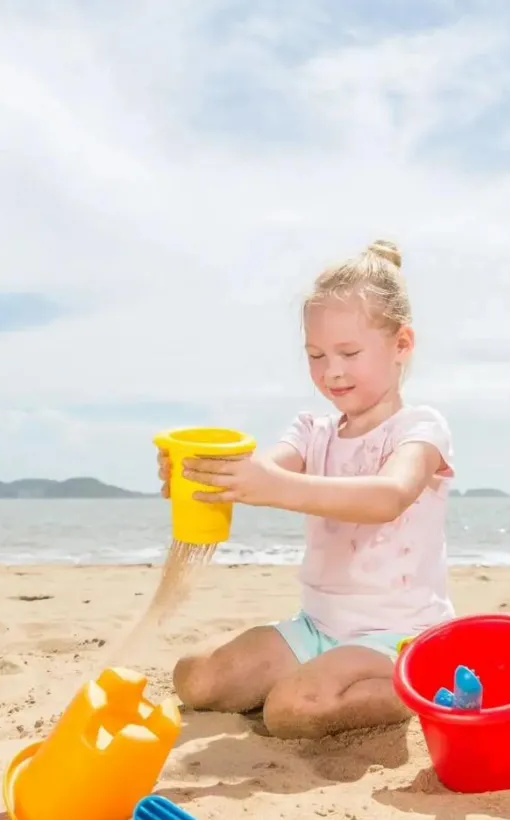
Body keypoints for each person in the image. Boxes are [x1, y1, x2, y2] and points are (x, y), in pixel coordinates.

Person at [157, 238, 455, 740]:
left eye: (349, 353)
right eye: (315, 355)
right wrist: (201, 472)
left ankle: (417, 684)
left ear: (401, 345)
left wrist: (274, 486)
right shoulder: (312, 432)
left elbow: (388, 497)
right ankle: (319, 672)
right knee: (196, 678)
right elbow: (260, 469)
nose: (331, 370)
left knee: (290, 709)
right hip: (316, 628)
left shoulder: (419, 430)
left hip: (396, 636)